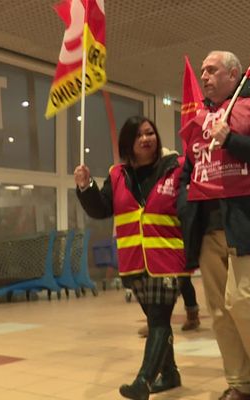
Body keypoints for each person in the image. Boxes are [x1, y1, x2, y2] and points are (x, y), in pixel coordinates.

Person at [178, 51, 250, 400]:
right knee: (219, 313)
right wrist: (187, 207)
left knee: (242, 301)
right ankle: (239, 385)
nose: (205, 76)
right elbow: (188, 170)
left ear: (234, 74)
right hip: (208, 226)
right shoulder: (200, 119)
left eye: (212, 70)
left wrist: (232, 140)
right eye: (202, 71)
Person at [74, 116, 185, 399]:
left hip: (167, 259)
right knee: (154, 320)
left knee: (159, 319)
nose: (147, 138)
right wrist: (86, 188)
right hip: (134, 260)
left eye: (150, 133)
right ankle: (170, 373)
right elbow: (101, 210)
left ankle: (143, 381)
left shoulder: (175, 168)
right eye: (139, 135)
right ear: (128, 143)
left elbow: (190, 210)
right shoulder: (117, 175)